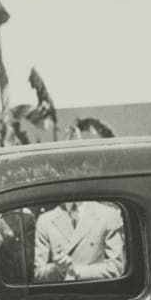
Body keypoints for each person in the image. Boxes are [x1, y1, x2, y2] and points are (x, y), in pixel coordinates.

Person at [34, 117, 127, 282]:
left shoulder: (108, 214)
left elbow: (117, 267)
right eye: (66, 168)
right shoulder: (46, 221)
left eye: (79, 167)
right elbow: (38, 273)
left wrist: (76, 271)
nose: (72, 175)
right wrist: (57, 269)